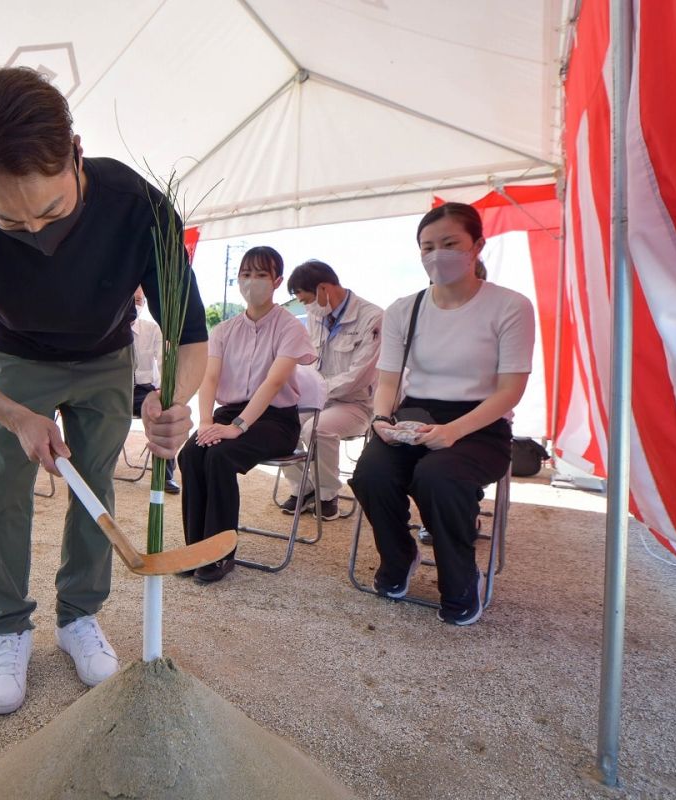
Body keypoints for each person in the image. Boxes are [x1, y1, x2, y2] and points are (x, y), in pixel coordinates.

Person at [0, 67, 208, 715]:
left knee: (95, 482)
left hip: (107, 356)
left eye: (51, 210)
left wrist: (172, 401)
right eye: (10, 223)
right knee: (7, 491)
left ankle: (78, 617)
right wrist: (15, 413)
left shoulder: (138, 206)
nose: (37, 232)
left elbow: (190, 337)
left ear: (76, 152)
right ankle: (10, 627)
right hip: (16, 360)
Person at [350, 202, 534, 626]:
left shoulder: (510, 306)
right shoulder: (403, 309)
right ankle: (400, 558)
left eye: (450, 244)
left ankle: (461, 577)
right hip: (413, 416)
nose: (437, 255)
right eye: (427, 246)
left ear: (477, 246)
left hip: (480, 425)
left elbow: (511, 390)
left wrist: (453, 432)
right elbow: (389, 380)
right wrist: (381, 420)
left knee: (439, 477)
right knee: (370, 474)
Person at [177, 246, 315, 583]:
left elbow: (274, 382)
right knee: (192, 454)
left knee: (220, 457)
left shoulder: (289, 327)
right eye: (246, 274)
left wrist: (238, 427)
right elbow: (209, 378)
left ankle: (220, 553)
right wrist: (207, 421)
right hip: (230, 412)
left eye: (261, 275)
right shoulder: (224, 330)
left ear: (277, 281)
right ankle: (195, 547)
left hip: (276, 419)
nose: (252, 282)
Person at [279, 260, 383, 520]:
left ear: (324, 288)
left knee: (316, 428)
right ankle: (304, 488)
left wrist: (318, 390)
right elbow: (309, 360)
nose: (305, 307)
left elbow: (360, 375)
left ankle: (327, 495)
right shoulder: (317, 316)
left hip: (356, 404)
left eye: (305, 299)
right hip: (318, 400)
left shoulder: (373, 317)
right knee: (280, 423)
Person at [131, 287, 180, 494]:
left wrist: (164, 391)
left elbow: (164, 362)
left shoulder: (152, 330)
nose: (135, 304)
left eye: (139, 300)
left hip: (142, 391)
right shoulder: (104, 328)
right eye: (131, 299)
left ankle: (164, 474)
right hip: (108, 388)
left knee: (161, 413)